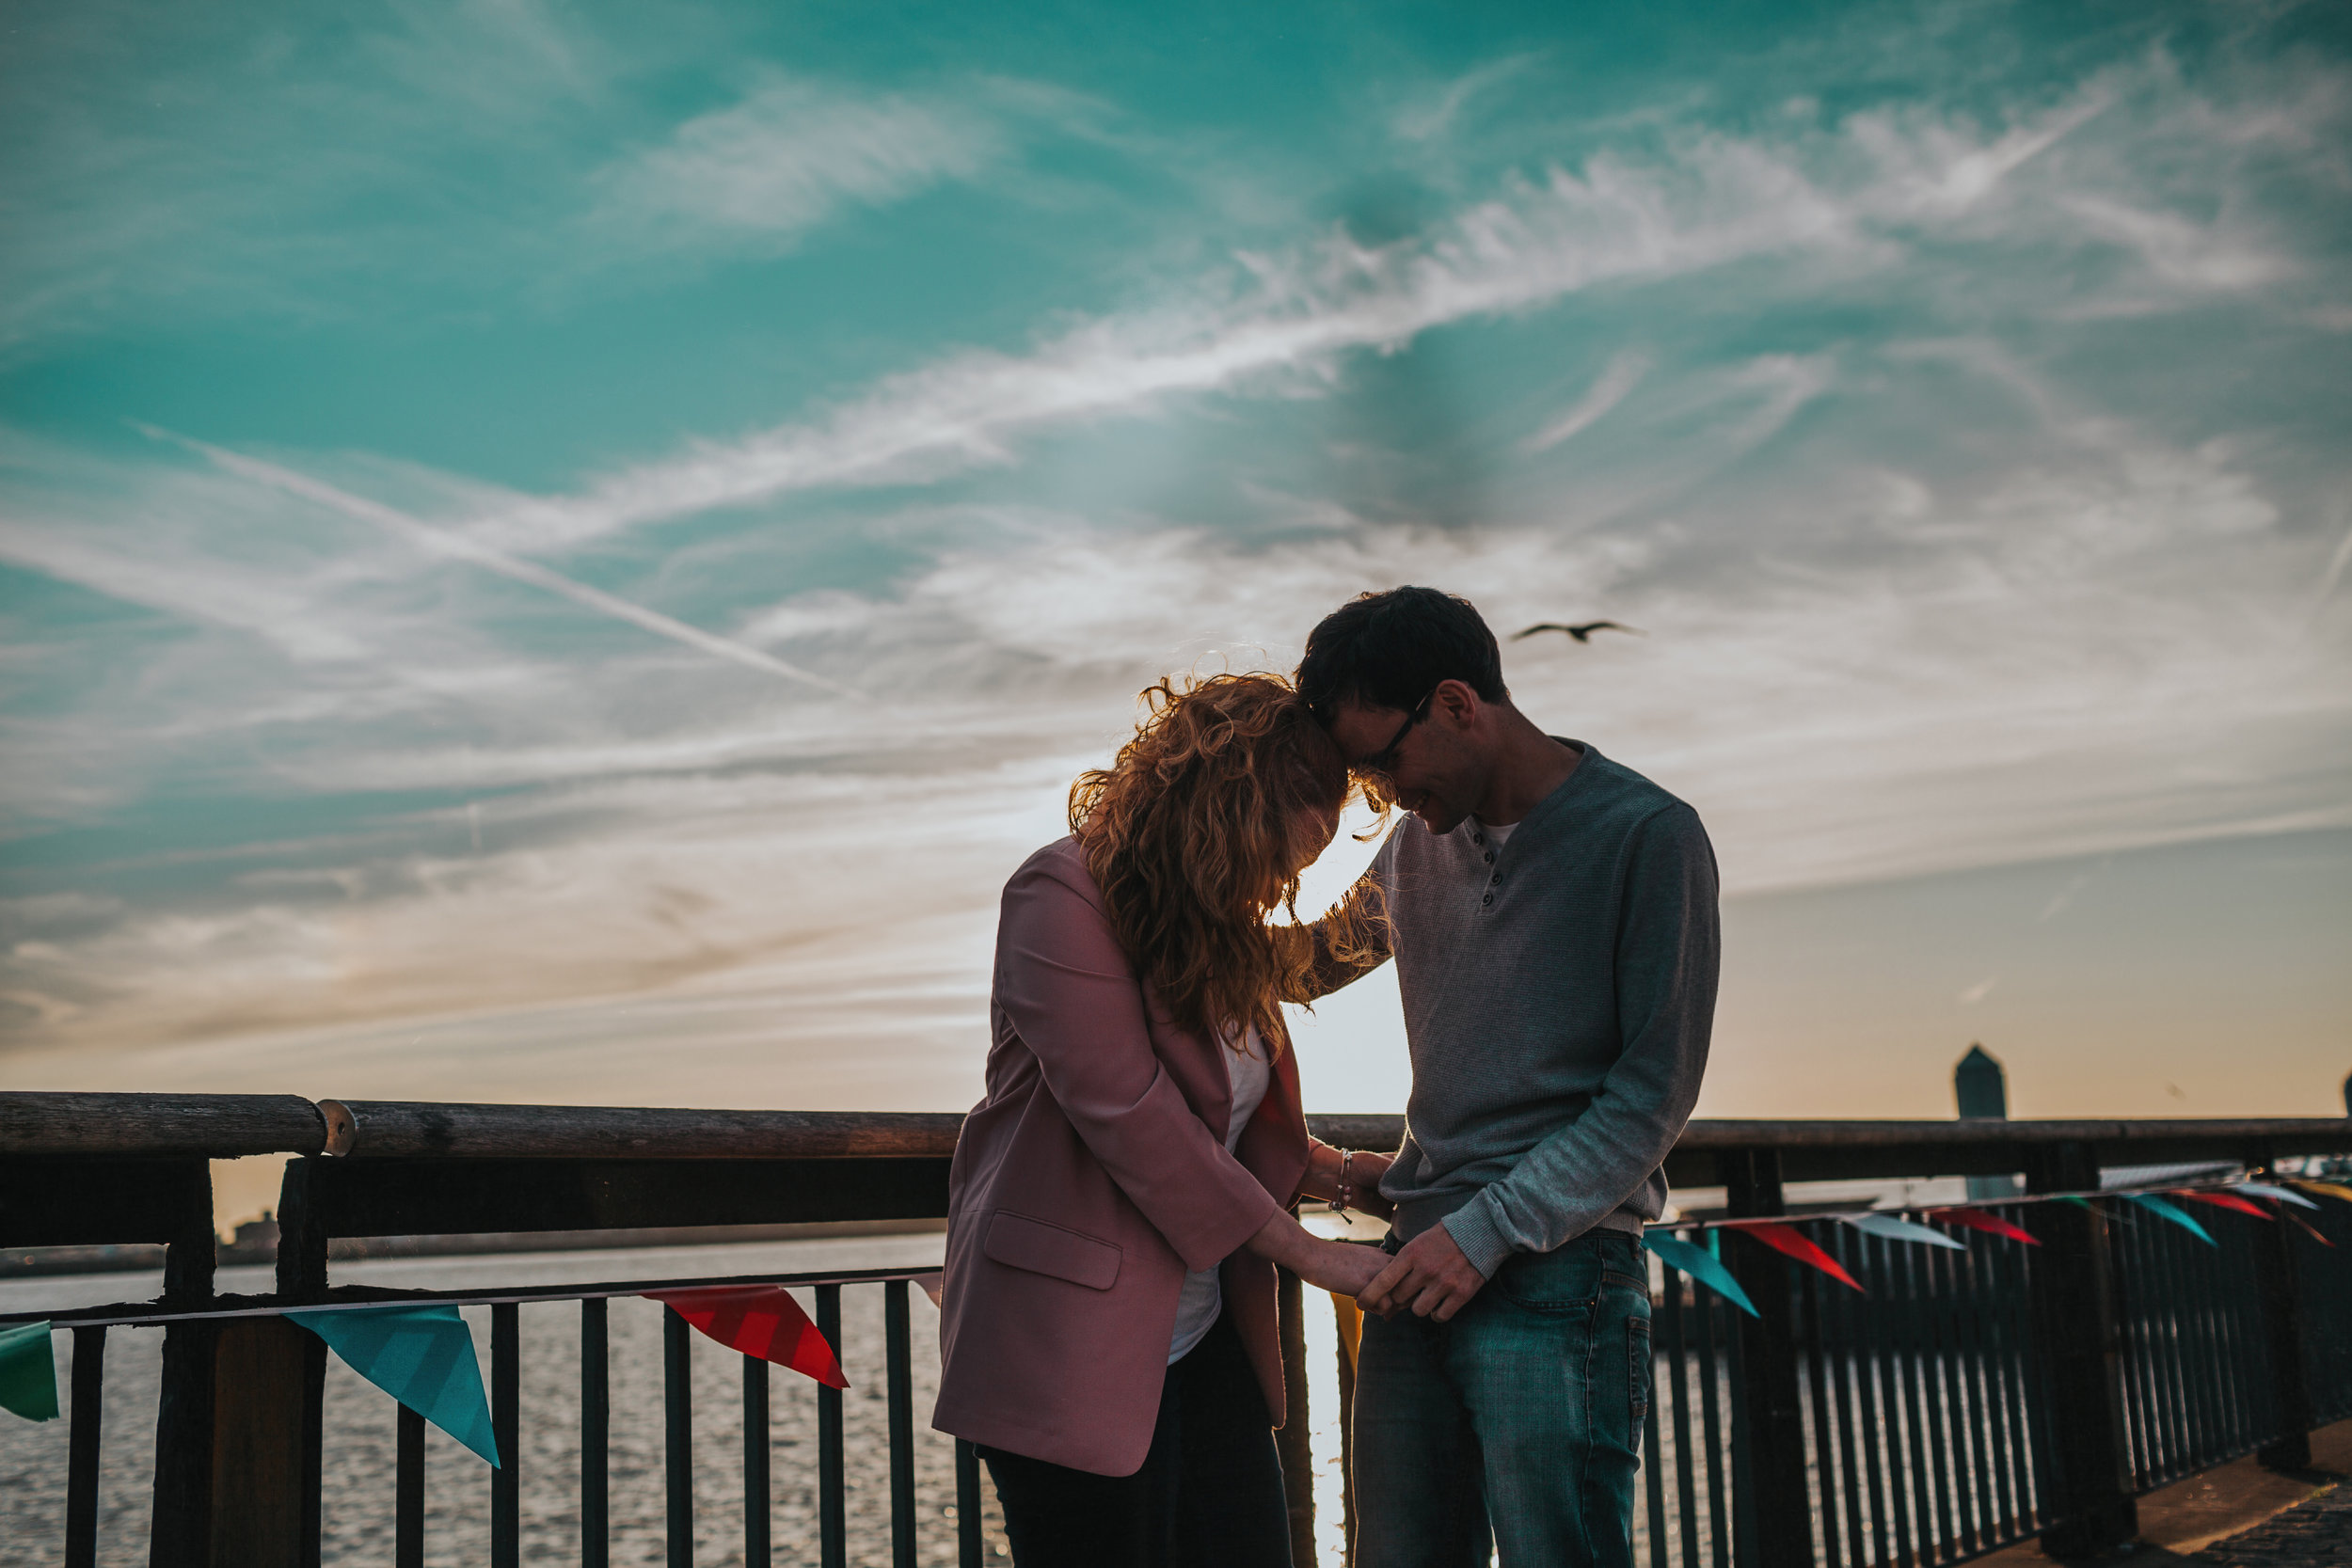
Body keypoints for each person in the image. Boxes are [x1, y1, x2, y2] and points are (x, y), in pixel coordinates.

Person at [1288, 586, 1720, 1568]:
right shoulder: (1412, 850)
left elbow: (1650, 1096)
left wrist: (1480, 1231)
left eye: (1383, 759)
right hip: (1414, 1261)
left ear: (1454, 703)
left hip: (1560, 1274)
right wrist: (1161, 876)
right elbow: (1300, 967)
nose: (1385, 793)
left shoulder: (1649, 835)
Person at [933, 672, 1390, 1568]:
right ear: (1230, 804)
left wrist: (1350, 1176)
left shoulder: (1220, 928)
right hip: (1066, 1349)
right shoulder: (1057, 894)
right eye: (1279, 859)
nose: (1277, 888)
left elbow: (1221, 1122)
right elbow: (1133, 1115)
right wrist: (1311, 1253)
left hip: (1206, 1333)